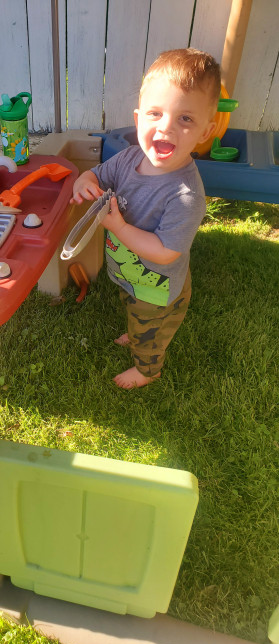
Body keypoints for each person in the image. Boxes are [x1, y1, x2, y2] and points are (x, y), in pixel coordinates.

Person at [71, 48, 221, 389]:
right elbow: (97, 175)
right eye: (156, 113)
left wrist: (118, 226)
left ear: (205, 131)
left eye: (185, 119)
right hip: (131, 274)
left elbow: (167, 252)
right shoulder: (129, 158)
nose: (166, 127)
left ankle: (147, 369)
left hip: (157, 286)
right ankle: (137, 326)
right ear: (138, 120)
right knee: (131, 305)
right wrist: (84, 182)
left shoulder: (185, 195)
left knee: (148, 333)